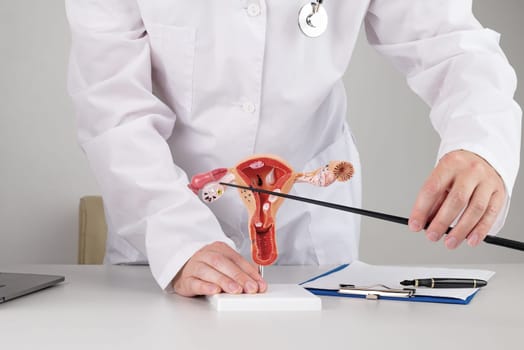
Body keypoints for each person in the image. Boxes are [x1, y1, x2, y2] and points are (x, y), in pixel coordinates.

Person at [65, 0, 521, 297]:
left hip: (309, 231)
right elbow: (112, 109)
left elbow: (453, 45)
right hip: (162, 228)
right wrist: (178, 239)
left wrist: (480, 144)